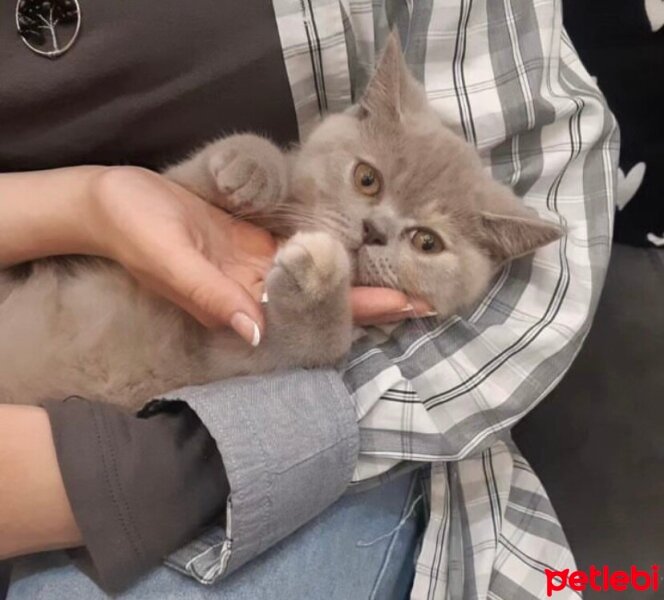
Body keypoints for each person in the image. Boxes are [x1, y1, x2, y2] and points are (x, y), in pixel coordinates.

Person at [0, 0, 617, 598]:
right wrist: (248, 175)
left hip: (256, 441)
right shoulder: (299, 187)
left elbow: (552, 173)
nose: (376, 230)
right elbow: (199, 204)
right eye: (367, 180)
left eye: (425, 240)